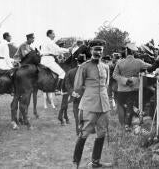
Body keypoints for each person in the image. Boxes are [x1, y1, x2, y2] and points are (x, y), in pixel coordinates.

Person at [72, 39, 112, 168]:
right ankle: (75, 163)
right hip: (89, 105)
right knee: (84, 133)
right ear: (91, 51)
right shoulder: (84, 67)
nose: (98, 52)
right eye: (96, 49)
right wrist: (90, 92)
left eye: (100, 49)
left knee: (101, 133)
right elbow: (77, 86)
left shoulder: (106, 66)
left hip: (104, 106)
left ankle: (95, 162)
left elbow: (106, 84)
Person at [113, 42, 151, 131]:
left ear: (126, 51)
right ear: (133, 52)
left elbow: (114, 75)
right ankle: (127, 124)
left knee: (121, 105)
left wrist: (125, 81)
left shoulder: (120, 62)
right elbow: (150, 67)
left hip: (122, 88)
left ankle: (123, 124)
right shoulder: (139, 62)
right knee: (130, 105)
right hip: (133, 87)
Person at [64, 54, 86, 135]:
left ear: (77, 61)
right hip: (85, 95)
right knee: (85, 113)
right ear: (85, 61)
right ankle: (84, 129)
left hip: (75, 96)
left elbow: (67, 84)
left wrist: (72, 92)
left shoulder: (70, 72)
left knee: (76, 113)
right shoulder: (87, 72)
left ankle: (78, 130)